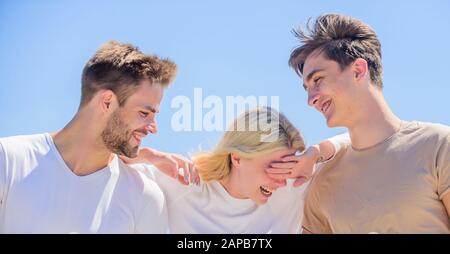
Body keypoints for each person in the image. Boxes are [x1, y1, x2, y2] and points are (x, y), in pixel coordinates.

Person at [275, 13, 450, 233]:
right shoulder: (322, 182)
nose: (311, 100)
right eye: (307, 89)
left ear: (358, 70)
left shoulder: (439, 146)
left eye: (317, 80)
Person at [0, 41, 180, 233]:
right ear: (107, 101)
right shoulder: (8, 160)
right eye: (145, 113)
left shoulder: (145, 198)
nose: (153, 128)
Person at [126, 106, 348, 233]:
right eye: (274, 166)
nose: (280, 181)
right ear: (238, 157)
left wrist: (315, 153)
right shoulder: (183, 182)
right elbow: (99, 161)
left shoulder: (293, 186)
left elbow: (358, 141)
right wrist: (149, 156)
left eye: (287, 166)